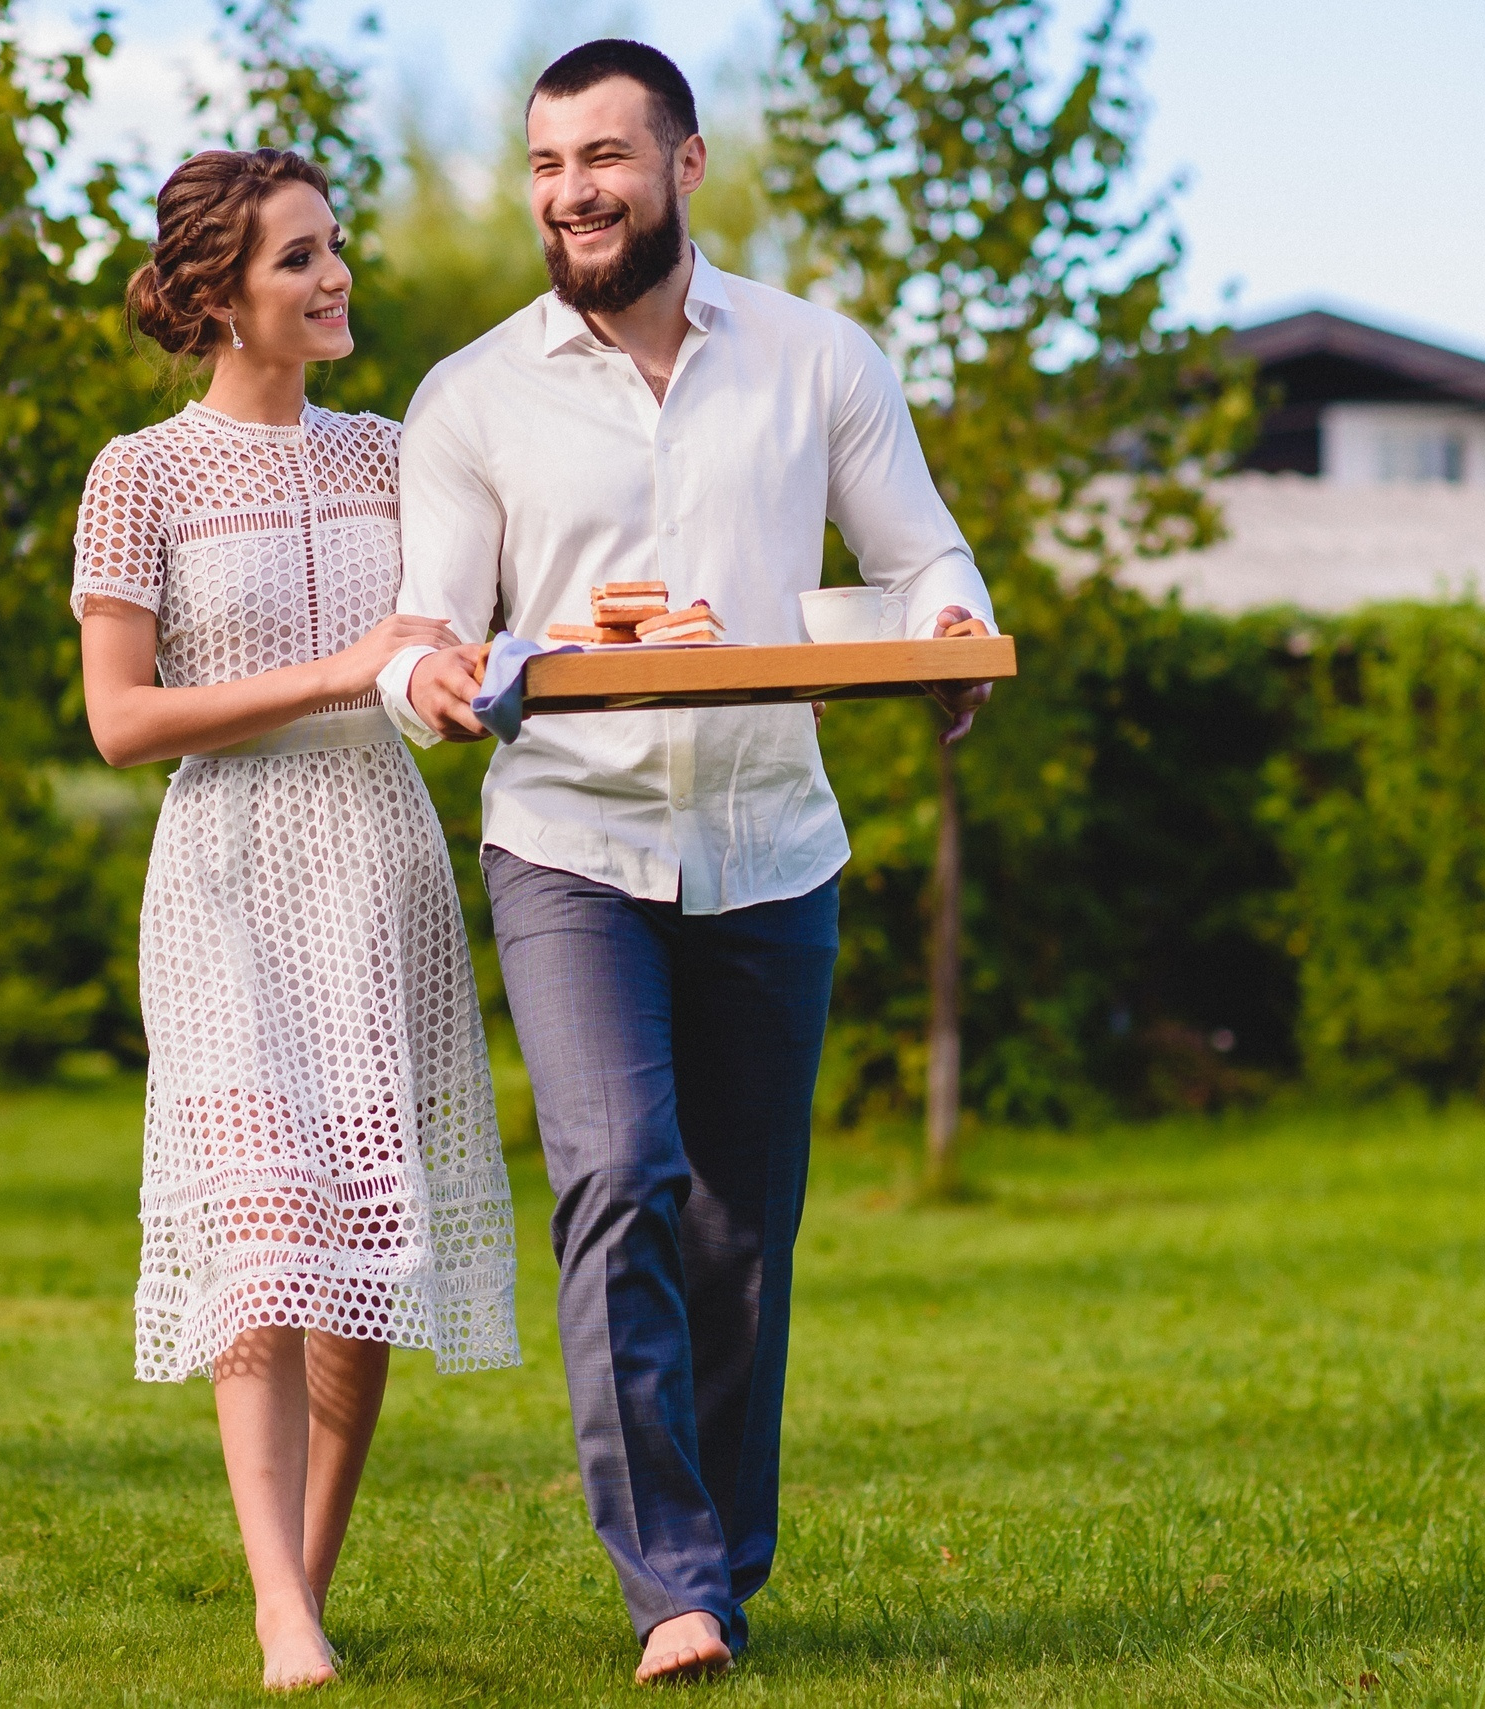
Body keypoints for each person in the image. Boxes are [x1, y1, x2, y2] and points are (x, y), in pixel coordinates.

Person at [377, 40, 1000, 1686]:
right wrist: (428, 676)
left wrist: (946, 624)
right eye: (545, 166)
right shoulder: (473, 395)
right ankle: (669, 1583)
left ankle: (726, 1558)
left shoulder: (814, 357)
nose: (571, 194)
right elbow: (429, 625)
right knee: (618, 1173)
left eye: (604, 159)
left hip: (773, 845)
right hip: (570, 838)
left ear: (687, 165)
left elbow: (918, 545)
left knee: (739, 1224)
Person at [74, 146, 520, 1693]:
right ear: (215, 296)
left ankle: (307, 1580)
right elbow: (122, 721)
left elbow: (450, 643)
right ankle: (279, 1612)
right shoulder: (142, 473)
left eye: (333, 247)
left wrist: (455, 685)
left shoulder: (396, 453)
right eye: (297, 259)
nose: (335, 278)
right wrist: (343, 671)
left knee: (362, 1245)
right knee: (261, 1235)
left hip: (381, 864)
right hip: (228, 876)